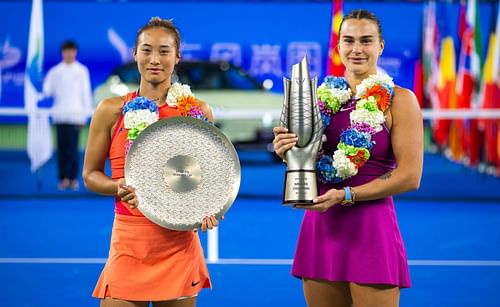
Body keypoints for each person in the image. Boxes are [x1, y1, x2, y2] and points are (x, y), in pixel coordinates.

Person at [273, 9, 423, 307]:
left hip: (372, 229)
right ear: (338, 46)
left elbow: (410, 175)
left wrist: (347, 195)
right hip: (322, 225)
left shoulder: (401, 100)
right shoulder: (315, 100)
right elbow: (308, 165)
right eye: (349, 40)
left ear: (380, 46)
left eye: (366, 41)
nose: (357, 49)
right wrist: (288, 154)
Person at [82, 17, 219, 307]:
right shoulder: (109, 110)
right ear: (134, 54)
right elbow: (91, 175)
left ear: (177, 56)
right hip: (128, 242)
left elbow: (207, 178)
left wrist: (209, 207)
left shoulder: (197, 112)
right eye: (146, 50)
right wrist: (117, 186)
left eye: (164, 51)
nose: (154, 59)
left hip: (178, 245)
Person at [43, 40, 93, 190]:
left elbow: (86, 94)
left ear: (75, 52)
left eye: (72, 51)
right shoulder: (55, 71)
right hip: (59, 116)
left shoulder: (82, 71)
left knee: (73, 150)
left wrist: (85, 115)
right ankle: (63, 178)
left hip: (75, 116)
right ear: (62, 52)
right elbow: (47, 91)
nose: (69, 54)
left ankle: (72, 178)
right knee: (62, 149)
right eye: (66, 51)